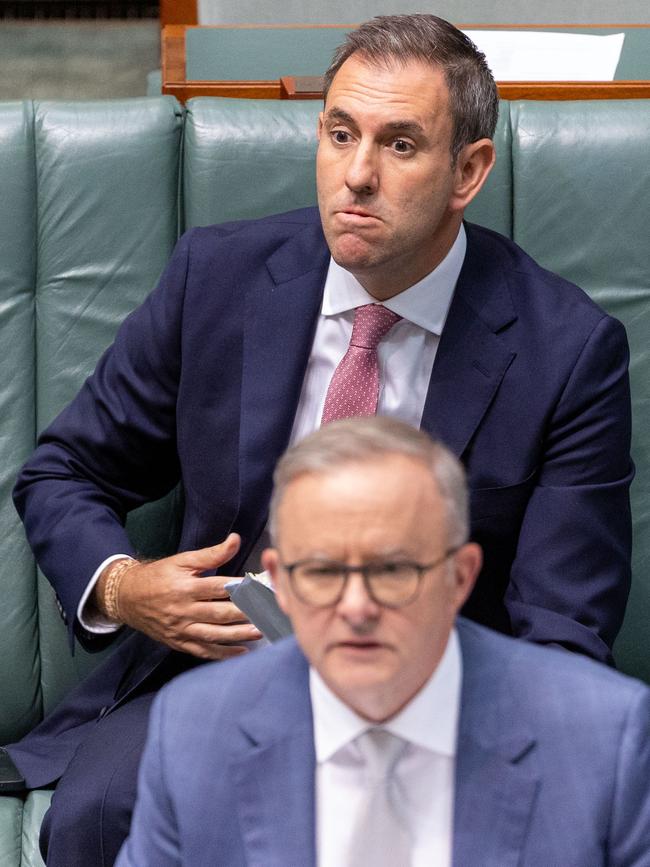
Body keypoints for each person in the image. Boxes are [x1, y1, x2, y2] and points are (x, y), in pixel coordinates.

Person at [4, 13, 633, 866]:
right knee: (101, 814)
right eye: (341, 134)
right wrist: (123, 587)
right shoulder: (216, 279)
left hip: (442, 695)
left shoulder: (567, 352)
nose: (358, 175)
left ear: (470, 171)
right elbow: (64, 470)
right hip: (220, 676)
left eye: (401, 145)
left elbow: (563, 625)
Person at [116, 417, 650, 867]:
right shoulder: (195, 729)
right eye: (322, 572)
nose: (356, 608)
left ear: (459, 578)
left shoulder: (606, 739)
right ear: (283, 581)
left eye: (393, 570)